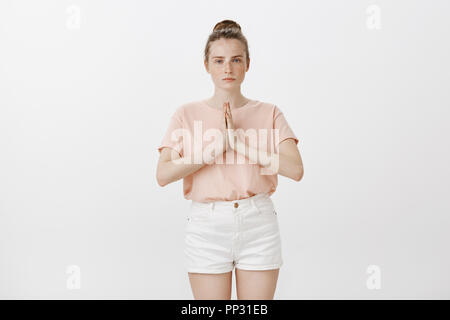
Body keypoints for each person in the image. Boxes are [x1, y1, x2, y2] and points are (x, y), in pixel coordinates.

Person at [156, 20, 304, 300]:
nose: (228, 69)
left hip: (258, 222)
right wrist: (213, 151)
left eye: (236, 60)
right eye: (219, 61)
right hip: (206, 226)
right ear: (207, 65)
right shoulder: (185, 114)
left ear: (248, 64)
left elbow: (295, 169)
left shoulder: (269, 112)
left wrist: (241, 145)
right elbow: (163, 174)